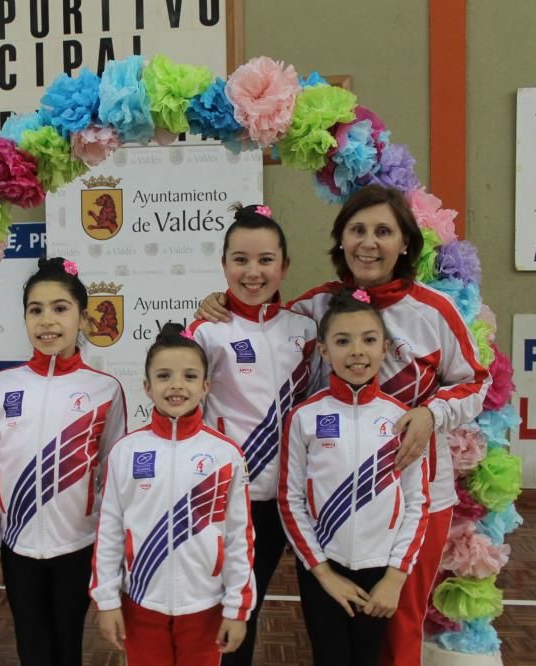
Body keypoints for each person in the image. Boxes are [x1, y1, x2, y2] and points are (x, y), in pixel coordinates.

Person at [197, 185, 490, 665]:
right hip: (331, 499)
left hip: (415, 494)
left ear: (405, 243)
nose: (368, 243)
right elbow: (260, 325)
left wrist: (430, 413)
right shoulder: (313, 308)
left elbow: (477, 382)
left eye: (383, 231)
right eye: (357, 230)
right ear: (340, 241)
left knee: (397, 629)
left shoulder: (435, 312)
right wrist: (220, 302)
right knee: (332, 632)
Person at [0, 257, 127, 666]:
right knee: (32, 650)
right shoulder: (5, 385)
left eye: (60, 308)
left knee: (68, 649)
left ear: (82, 318)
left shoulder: (105, 390)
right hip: (17, 547)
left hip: (77, 546)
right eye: (35, 309)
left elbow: (114, 481)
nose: (47, 321)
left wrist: (108, 552)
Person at [188, 204, 318, 666]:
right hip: (232, 501)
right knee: (231, 610)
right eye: (240, 259)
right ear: (224, 265)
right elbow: (187, 413)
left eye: (266, 260)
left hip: (295, 500)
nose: (253, 271)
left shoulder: (306, 330)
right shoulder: (205, 331)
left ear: (284, 266)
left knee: (285, 607)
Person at [279, 288, 431, 665]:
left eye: (368, 339)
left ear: (385, 349)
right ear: (325, 351)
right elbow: (290, 498)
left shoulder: (402, 419)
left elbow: (417, 503)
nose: (357, 351)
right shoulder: (304, 417)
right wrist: (323, 572)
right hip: (323, 569)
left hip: (381, 574)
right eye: (343, 341)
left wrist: (394, 579)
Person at [90, 323, 256, 666]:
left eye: (190, 376)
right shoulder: (126, 451)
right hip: (141, 605)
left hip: (205, 607)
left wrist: (237, 607)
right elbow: (109, 531)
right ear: (148, 387)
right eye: (164, 376)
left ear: (206, 386)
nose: (177, 385)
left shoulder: (226, 454)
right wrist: (107, 600)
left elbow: (240, 536)